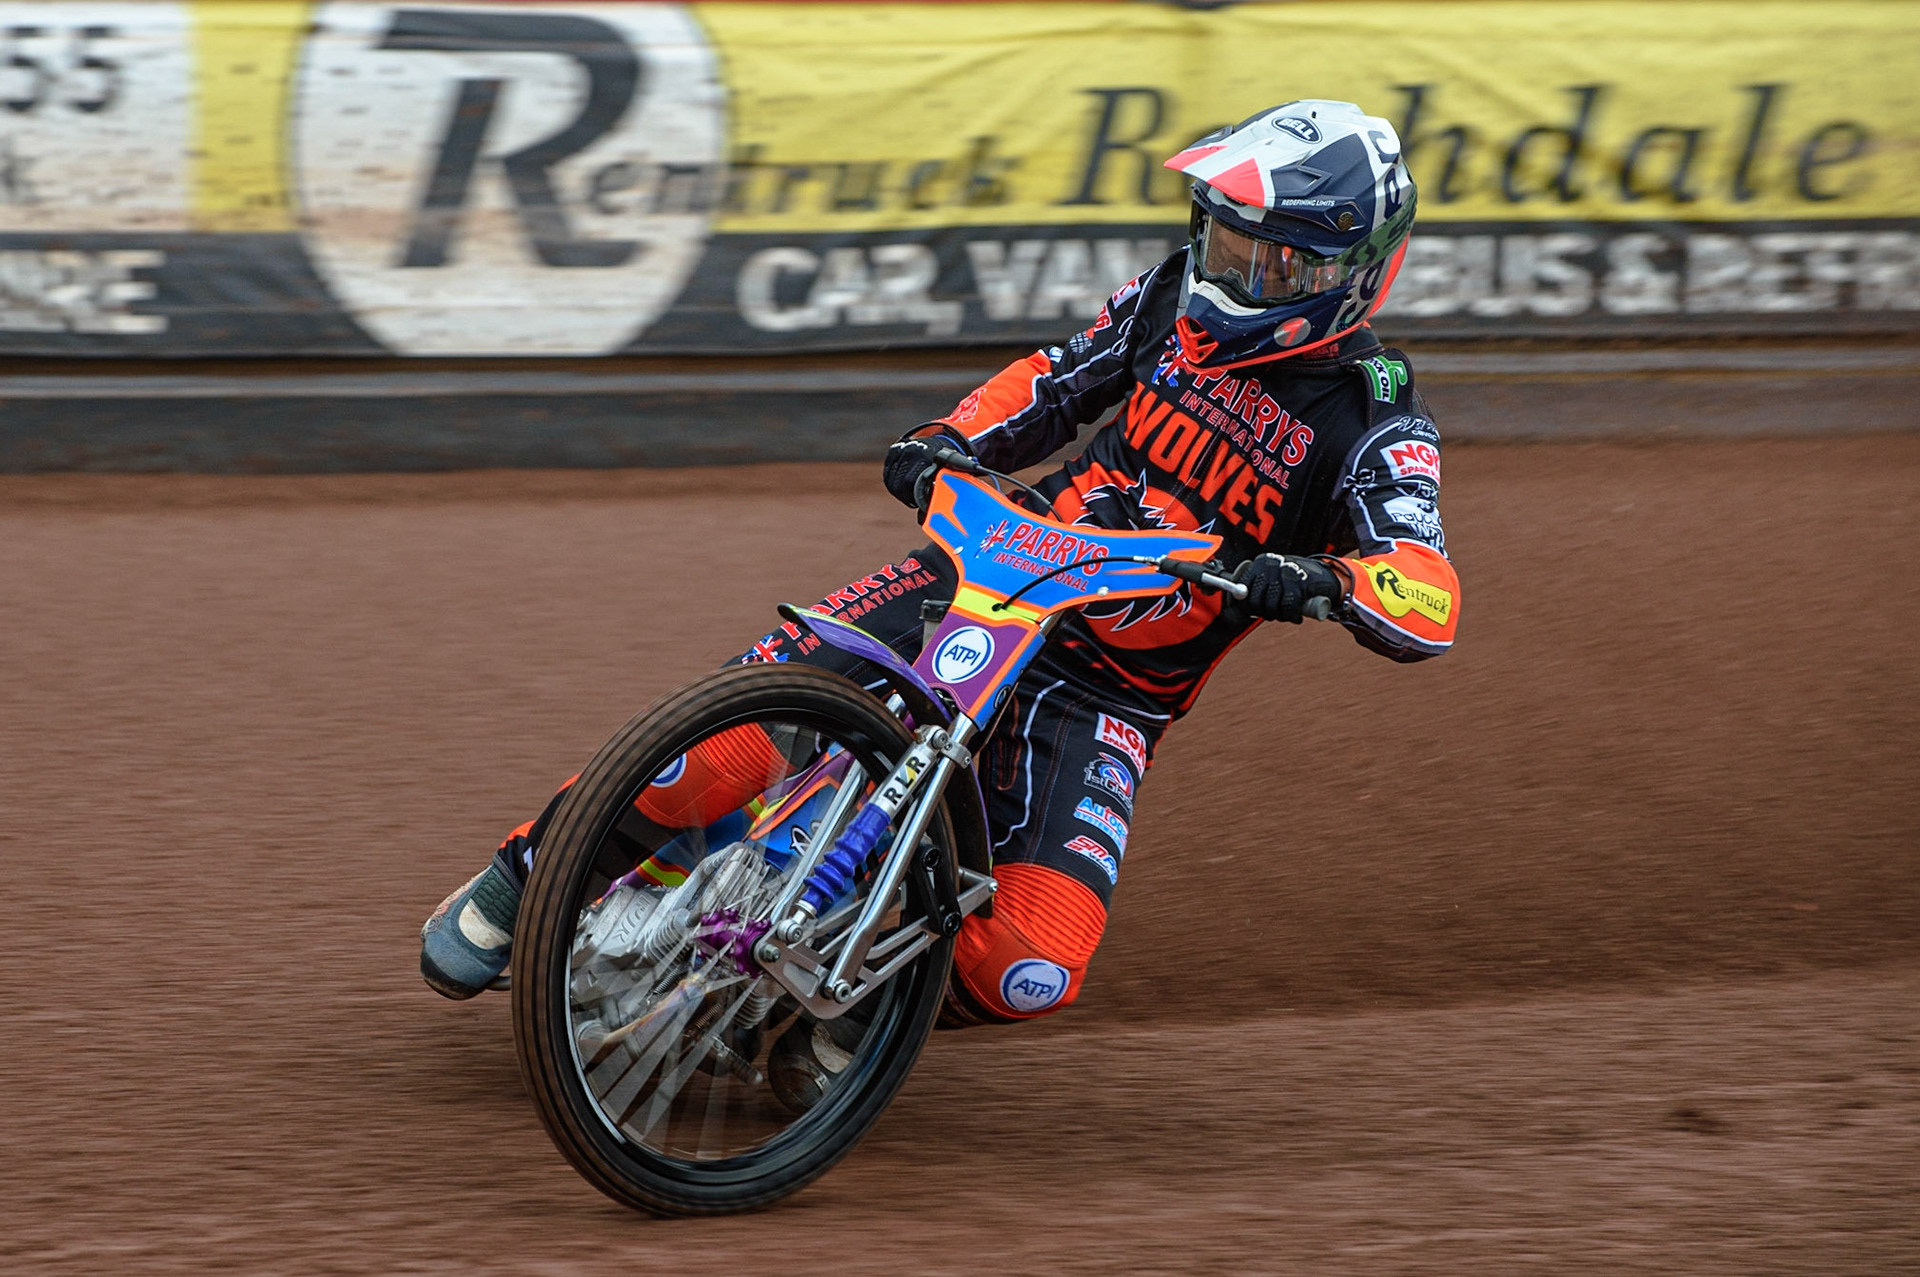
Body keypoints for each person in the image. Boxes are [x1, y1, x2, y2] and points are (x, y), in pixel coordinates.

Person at [422, 100, 1458, 1039]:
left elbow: (1427, 585)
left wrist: (1326, 583)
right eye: (1222, 240)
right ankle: (523, 877)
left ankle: (854, 1024)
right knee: (719, 746)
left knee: (1031, 965)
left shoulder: (1376, 414)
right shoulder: (1171, 303)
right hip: (997, 568)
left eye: (1265, 260)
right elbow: (1055, 381)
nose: (1229, 273)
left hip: (1104, 691)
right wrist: (947, 439)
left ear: (1347, 271)